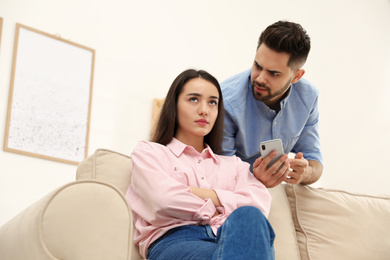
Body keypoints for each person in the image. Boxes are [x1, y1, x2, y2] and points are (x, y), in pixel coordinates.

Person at [125, 69, 277, 260]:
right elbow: (163, 200)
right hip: (175, 242)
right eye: (194, 99)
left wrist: (195, 193)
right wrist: (217, 208)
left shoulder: (235, 165)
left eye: (212, 102)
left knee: (250, 217)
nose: (204, 109)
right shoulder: (149, 153)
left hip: (231, 240)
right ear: (174, 105)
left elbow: (259, 203)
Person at [221, 20, 323, 188]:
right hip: (237, 191)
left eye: (273, 73)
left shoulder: (308, 98)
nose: (260, 78)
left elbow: (314, 159)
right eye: (257, 66)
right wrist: (257, 181)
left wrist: (305, 173)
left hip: (274, 189)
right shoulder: (226, 102)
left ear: (296, 76)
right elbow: (221, 173)